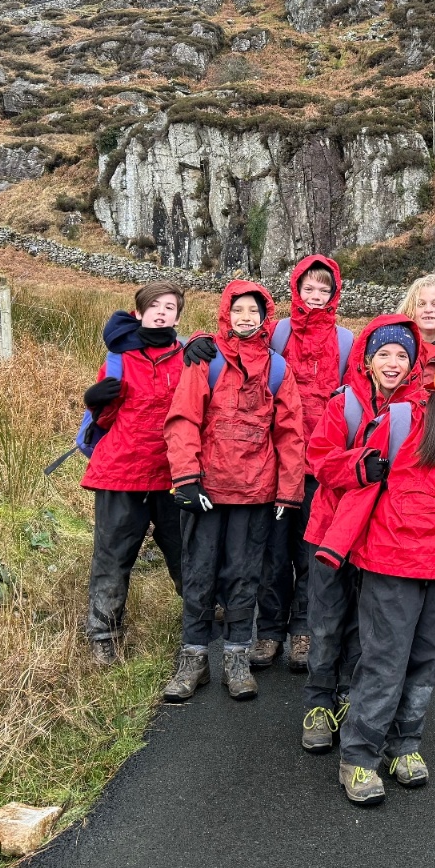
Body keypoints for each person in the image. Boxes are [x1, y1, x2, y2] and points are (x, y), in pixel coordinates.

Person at [317, 337, 435, 806]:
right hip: (390, 561)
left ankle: (404, 745)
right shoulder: (403, 420)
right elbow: (346, 474)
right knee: (384, 661)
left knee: (425, 660)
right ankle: (358, 757)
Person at [161, 281, 306, 702]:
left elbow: (290, 433)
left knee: (244, 577)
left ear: (265, 317)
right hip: (205, 489)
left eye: (253, 311)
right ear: (226, 313)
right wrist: (186, 478)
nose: (246, 317)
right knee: (199, 573)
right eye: (238, 310)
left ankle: (237, 659)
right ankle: (194, 659)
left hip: (255, 493)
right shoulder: (205, 359)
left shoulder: (277, 369)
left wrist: (288, 492)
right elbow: (184, 419)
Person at [299, 313, 428, 754]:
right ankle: (318, 701)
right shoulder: (344, 404)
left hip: (381, 539)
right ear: (367, 360)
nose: (392, 363)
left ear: (413, 363)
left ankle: (351, 696)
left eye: (402, 356)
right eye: (384, 354)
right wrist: (358, 466)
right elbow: (319, 459)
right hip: (331, 532)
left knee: (365, 624)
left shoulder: (421, 411)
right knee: (326, 619)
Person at [79, 281, 192, 666]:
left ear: (178, 317)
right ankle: (103, 635)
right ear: (139, 312)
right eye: (154, 306)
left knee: (185, 550)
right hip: (121, 472)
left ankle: (199, 619)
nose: (161, 312)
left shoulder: (188, 357)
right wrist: (95, 403)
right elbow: (105, 419)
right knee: (112, 556)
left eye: (170, 307)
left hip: (173, 473)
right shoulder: (119, 359)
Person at [253, 255, 353, 675]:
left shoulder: (346, 341)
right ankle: (269, 631)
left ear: (334, 294)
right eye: (308, 288)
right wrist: (197, 342)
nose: (315, 296)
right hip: (277, 462)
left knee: (310, 553)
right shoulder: (276, 333)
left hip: (322, 468)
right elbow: (237, 346)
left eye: (323, 289)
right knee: (273, 553)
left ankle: (303, 630)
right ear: (296, 289)